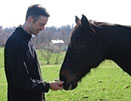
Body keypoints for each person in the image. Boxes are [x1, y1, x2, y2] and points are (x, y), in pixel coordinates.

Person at [4, 4, 63, 101]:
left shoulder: (27, 40)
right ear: (30, 19)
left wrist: (48, 85)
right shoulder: (15, 43)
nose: (43, 29)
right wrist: (48, 86)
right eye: (41, 24)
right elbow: (21, 81)